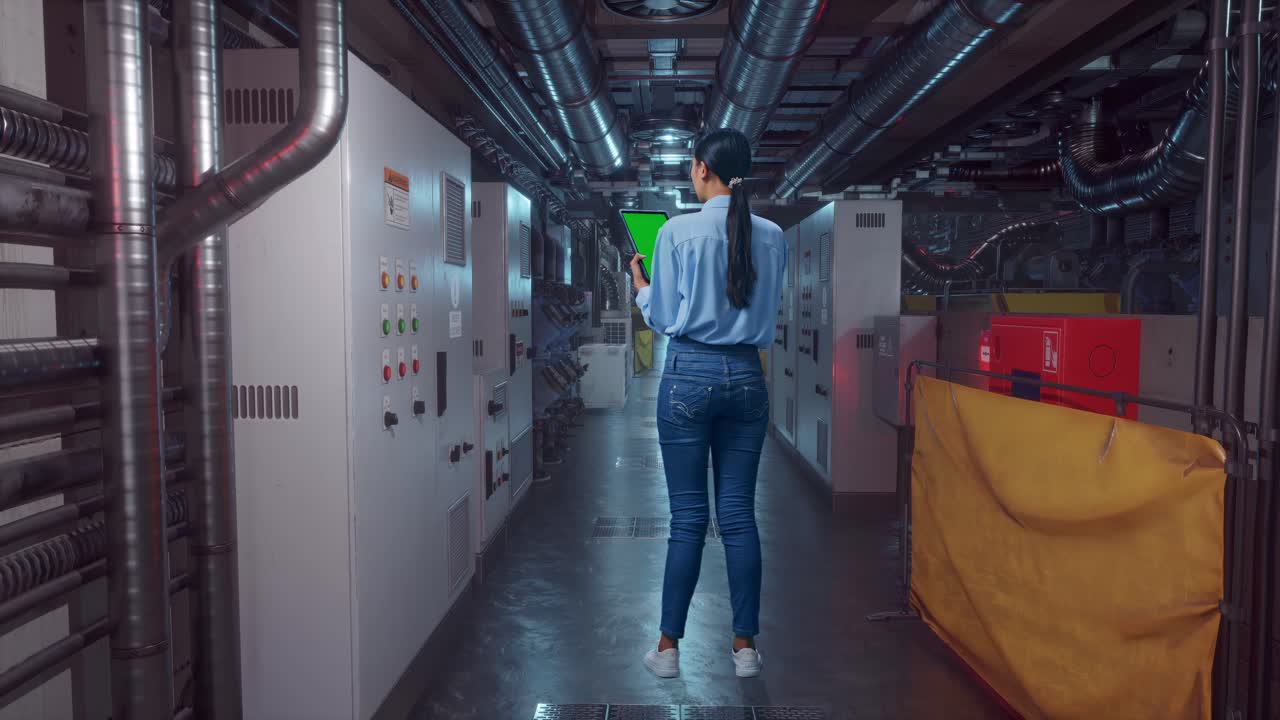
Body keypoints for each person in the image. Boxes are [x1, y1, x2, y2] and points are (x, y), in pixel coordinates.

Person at [629, 128, 786, 680]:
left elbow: (666, 315)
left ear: (701, 169)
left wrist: (640, 286)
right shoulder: (772, 235)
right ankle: (745, 649)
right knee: (739, 517)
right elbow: (766, 314)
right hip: (746, 375)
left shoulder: (675, 232)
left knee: (689, 520)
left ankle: (668, 650)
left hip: (689, 374)